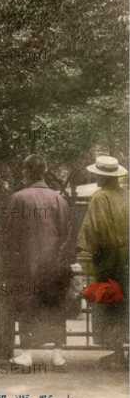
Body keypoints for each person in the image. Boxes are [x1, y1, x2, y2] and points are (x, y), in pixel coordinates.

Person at [0, 154, 71, 368]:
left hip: (26, 265)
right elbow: (68, 235)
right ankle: (58, 355)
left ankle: (27, 354)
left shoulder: (18, 198)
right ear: (45, 170)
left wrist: (5, 266)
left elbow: (8, 237)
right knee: (55, 306)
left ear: (26, 172)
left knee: (27, 305)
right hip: (54, 265)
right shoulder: (60, 200)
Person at [77, 155, 129, 368]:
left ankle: (117, 354)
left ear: (102, 177)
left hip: (109, 260)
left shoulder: (100, 198)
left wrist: (89, 251)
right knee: (126, 306)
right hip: (127, 259)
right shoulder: (127, 195)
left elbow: (94, 231)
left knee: (111, 305)